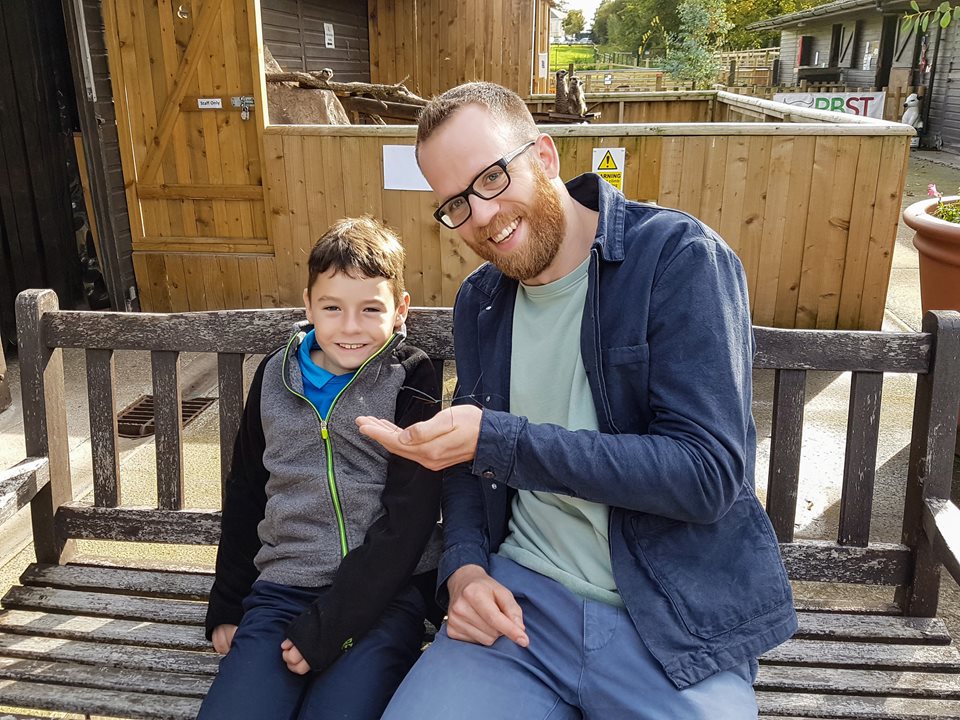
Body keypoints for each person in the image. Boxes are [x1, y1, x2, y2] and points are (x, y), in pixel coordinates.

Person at [357, 82, 798, 719]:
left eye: (490, 178)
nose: (480, 215)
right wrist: (464, 570)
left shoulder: (677, 259)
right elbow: (464, 459)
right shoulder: (480, 301)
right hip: (520, 605)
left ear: (544, 155)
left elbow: (709, 475)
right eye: (455, 202)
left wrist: (503, 443)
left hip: (667, 615)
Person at [199, 216, 443, 720]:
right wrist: (227, 602)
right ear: (308, 306)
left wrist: (331, 626)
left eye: (370, 309)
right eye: (332, 308)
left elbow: (410, 517)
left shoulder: (411, 377)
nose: (350, 327)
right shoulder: (273, 375)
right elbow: (247, 488)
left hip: (384, 598)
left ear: (400, 311)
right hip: (282, 587)